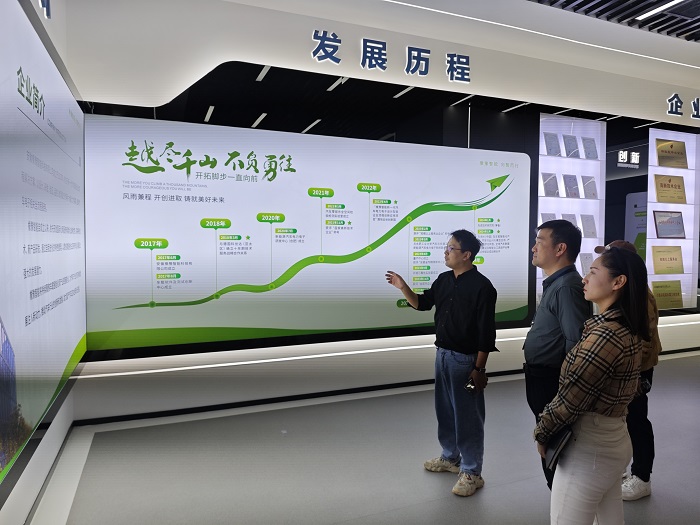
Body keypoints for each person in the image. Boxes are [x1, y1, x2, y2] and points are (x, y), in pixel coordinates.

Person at [534, 246, 650, 525]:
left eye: (593, 272)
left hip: (589, 450)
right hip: (613, 441)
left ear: (618, 282)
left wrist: (542, 432)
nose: (584, 279)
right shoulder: (624, 327)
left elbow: (572, 398)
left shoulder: (605, 336)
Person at [385, 229, 497, 497]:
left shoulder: (483, 287)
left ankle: (472, 472)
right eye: (446, 247)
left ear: (466, 255)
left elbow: (486, 333)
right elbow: (422, 304)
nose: (445, 252)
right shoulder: (444, 280)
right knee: (445, 411)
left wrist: (479, 369)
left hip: (465, 361)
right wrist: (403, 287)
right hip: (443, 355)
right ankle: (450, 457)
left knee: (468, 417)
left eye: (451, 248)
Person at [523, 219, 592, 489]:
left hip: (554, 381)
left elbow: (576, 345)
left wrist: (566, 391)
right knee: (551, 448)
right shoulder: (557, 283)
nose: (533, 248)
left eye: (539, 242)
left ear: (560, 248)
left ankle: (564, 503)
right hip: (543, 378)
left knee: (557, 451)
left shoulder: (566, 287)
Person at [594, 240, 662, 501]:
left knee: (636, 420)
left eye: (611, 256)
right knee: (623, 420)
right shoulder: (626, 293)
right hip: (628, 370)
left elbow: (644, 339)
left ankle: (642, 477)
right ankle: (625, 469)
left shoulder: (640, 296)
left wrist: (631, 371)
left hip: (637, 371)